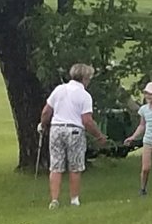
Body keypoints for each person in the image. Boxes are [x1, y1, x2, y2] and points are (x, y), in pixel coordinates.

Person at [39, 63, 108, 209]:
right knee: (75, 166)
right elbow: (87, 121)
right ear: (85, 78)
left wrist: (43, 125)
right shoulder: (84, 96)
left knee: (56, 166)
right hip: (74, 130)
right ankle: (74, 199)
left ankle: (54, 200)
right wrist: (99, 136)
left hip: (56, 129)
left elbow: (46, 111)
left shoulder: (59, 89)